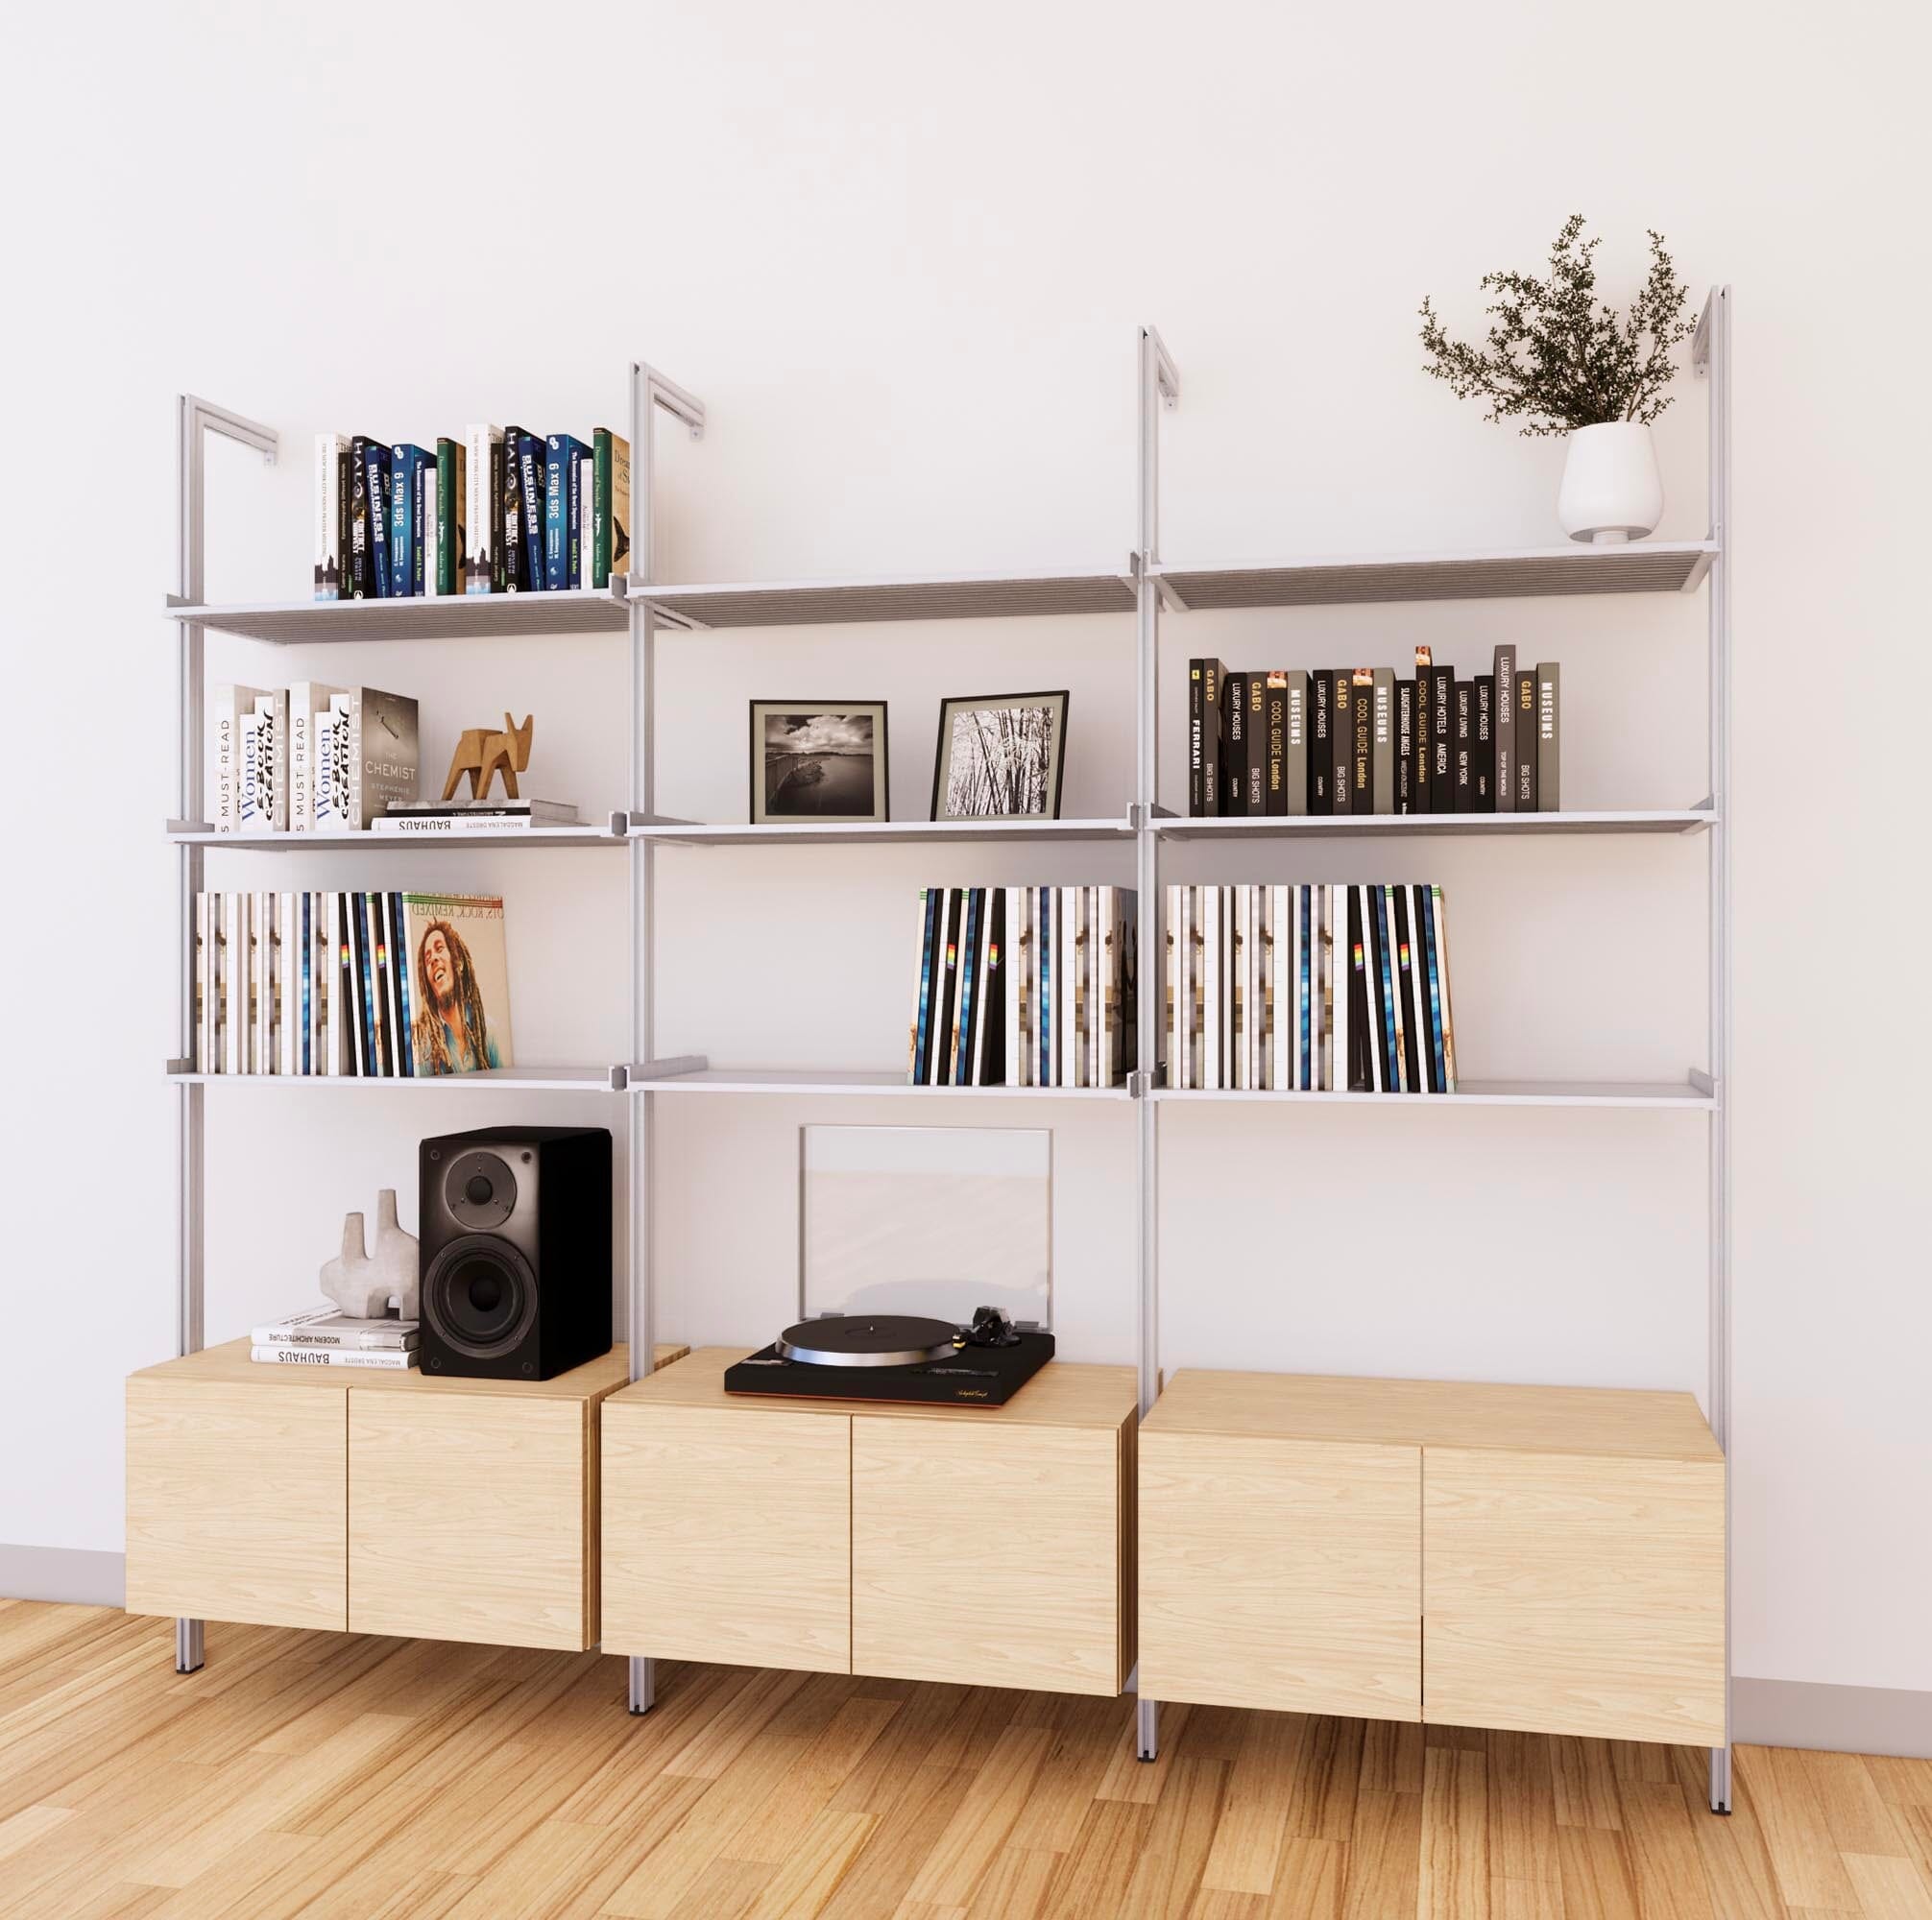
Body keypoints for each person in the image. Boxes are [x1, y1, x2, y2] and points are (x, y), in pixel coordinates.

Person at [412, 919, 500, 1073]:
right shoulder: (423, 1047)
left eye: (439, 948)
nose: (433, 959)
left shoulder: (488, 1030)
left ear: (458, 962)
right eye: (427, 959)